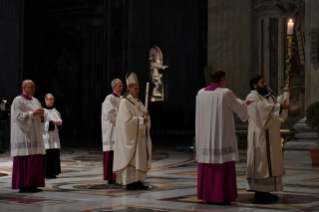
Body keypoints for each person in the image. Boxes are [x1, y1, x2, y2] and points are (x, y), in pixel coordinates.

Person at [196, 70, 251, 204]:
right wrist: (246, 103)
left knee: (208, 163)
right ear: (222, 80)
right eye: (225, 79)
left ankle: (208, 195)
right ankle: (221, 195)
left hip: (205, 137)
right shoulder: (225, 93)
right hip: (220, 136)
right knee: (221, 162)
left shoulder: (200, 93)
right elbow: (238, 106)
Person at [246, 76, 290, 201]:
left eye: (265, 81)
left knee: (270, 161)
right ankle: (259, 192)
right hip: (259, 135)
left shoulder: (269, 96)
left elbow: (277, 103)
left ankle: (266, 191)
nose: (265, 84)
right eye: (262, 82)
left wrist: (286, 92)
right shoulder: (252, 97)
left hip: (270, 135)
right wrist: (280, 107)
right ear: (255, 85)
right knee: (262, 162)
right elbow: (262, 109)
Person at [113, 72, 152, 190]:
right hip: (130, 138)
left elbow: (145, 119)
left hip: (139, 137)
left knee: (139, 159)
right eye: (136, 89)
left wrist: (146, 117)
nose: (138, 91)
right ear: (129, 90)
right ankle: (130, 182)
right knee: (132, 159)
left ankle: (138, 180)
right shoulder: (125, 102)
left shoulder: (139, 103)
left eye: (139, 89)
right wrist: (141, 120)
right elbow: (126, 122)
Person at [11, 80, 46, 193]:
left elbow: (42, 118)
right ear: (24, 88)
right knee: (25, 158)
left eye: (34, 87)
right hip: (24, 133)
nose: (33, 89)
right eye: (31, 87)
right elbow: (17, 116)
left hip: (35, 134)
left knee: (35, 158)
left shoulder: (36, 101)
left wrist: (41, 116)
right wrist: (33, 113)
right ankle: (24, 185)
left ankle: (33, 184)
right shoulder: (18, 100)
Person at [101, 78, 123, 184]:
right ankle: (111, 176)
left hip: (120, 129)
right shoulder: (109, 99)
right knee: (111, 152)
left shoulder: (123, 98)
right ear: (114, 87)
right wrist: (123, 114)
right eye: (119, 86)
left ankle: (119, 176)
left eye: (122, 86)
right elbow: (110, 113)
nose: (121, 88)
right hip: (111, 130)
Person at [42, 93, 62, 179]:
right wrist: (52, 123)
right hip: (46, 136)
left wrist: (60, 123)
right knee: (47, 155)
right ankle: (46, 173)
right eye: (50, 99)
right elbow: (41, 124)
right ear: (45, 100)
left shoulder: (56, 111)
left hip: (54, 136)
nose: (52, 101)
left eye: (53, 99)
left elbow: (60, 121)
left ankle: (53, 172)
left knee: (54, 153)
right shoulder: (43, 112)